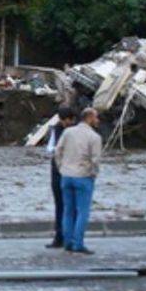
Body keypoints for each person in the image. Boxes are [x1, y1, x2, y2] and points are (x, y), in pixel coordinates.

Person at [54, 107, 103, 255]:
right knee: (83, 212)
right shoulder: (94, 137)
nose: (98, 120)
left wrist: (61, 168)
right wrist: (93, 174)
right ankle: (78, 243)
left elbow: (57, 151)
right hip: (83, 176)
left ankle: (67, 242)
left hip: (66, 176)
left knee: (68, 211)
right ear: (89, 118)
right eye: (96, 117)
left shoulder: (68, 132)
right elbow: (95, 160)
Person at [44, 106, 76, 249]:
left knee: (71, 206)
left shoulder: (76, 131)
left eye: (66, 121)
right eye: (62, 121)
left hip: (72, 172)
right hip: (57, 172)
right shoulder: (56, 129)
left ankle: (71, 237)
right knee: (60, 205)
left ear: (72, 119)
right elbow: (50, 148)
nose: (64, 123)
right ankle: (59, 237)